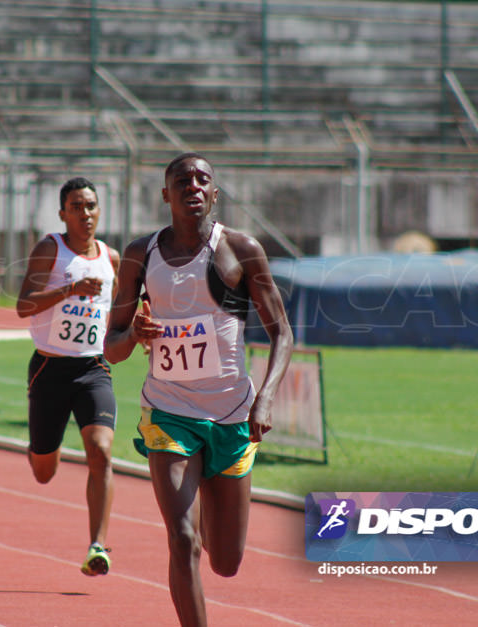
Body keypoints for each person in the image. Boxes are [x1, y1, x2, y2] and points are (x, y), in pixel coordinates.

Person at [105, 152, 292, 627]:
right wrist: (134, 336)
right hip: (168, 411)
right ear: (164, 194)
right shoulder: (139, 254)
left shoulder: (240, 249)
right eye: (181, 180)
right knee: (182, 540)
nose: (192, 185)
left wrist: (266, 395)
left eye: (202, 179)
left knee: (226, 561)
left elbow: (282, 333)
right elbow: (112, 347)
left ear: (214, 193)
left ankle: (210, 494)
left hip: (231, 412)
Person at [16, 177, 121, 576]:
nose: (85, 213)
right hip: (49, 368)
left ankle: (98, 545)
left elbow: (122, 309)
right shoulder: (50, 248)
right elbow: (23, 305)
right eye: (76, 206)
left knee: (102, 451)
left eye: (91, 205)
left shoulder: (110, 257)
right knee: (44, 472)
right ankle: (43, 446)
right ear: (63, 213)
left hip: (92, 369)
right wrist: (70, 289)